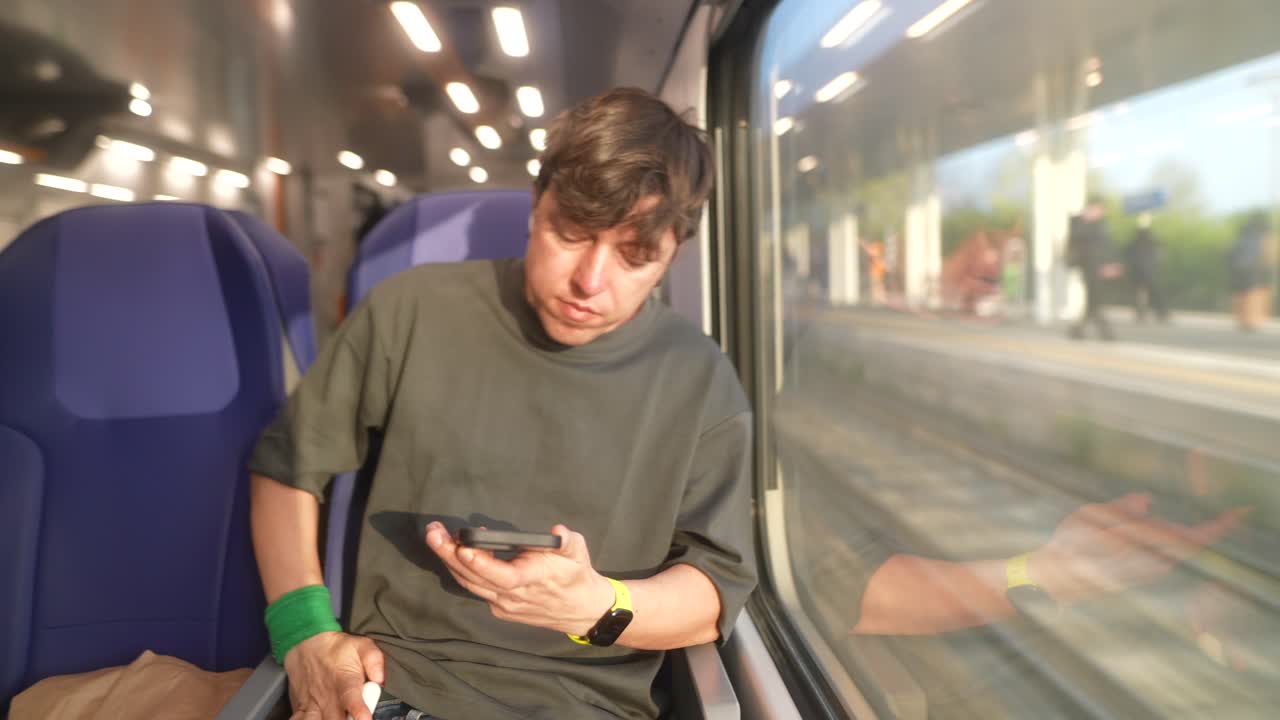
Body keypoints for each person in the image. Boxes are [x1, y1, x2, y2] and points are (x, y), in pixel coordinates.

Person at [248, 88, 755, 720]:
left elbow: (713, 591)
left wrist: (597, 607)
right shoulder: (413, 310)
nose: (590, 282)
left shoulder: (698, 377)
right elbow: (286, 468)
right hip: (397, 688)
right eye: (571, 233)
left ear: (673, 252)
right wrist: (303, 636)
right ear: (536, 204)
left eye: (635, 256)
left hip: (587, 707)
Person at [1066, 196, 1121, 340]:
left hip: (1101, 267)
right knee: (1095, 300)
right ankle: (1105, 332)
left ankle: (1078, 330)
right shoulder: (1078, 222)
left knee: (1093, 301)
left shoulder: (1101, 224)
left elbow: (1107, 246)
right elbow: (1076, 239)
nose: (1101, 212)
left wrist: (1112, 263)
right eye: (1099, 209)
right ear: (1091, 208)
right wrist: (1086, 220)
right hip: (1088, 267)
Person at [1229, 212, 1273, 332]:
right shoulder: (1264, 232)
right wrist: (1267, 266)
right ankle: (1252, 321)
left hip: (1237, 266)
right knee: (1253, 293)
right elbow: (1267, 250)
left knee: (1240, 292)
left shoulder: (1243, 233)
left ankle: (1241, 320)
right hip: (1254, 267)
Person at [1125, 212, 1168, 323]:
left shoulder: (1136, 240)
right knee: (1153, 292)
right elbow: (1160, 253)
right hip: (1148, 270)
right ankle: (1160, 313)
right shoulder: (1152, 239)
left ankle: (1143, 314)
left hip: (1140, 269)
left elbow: (1129, 253)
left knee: (1140, 293)